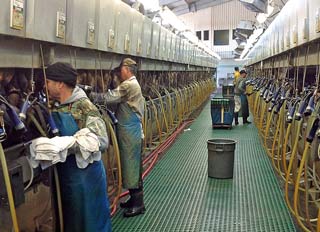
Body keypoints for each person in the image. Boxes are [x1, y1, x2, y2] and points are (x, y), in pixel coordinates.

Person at [44, 62, 112, 232]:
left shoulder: (84, 106)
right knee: (72, 222)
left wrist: (71, 144)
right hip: (67, 177)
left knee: (90, 224)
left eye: (48, 82)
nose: (45, 86)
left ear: (60, 84)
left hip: (86, 178)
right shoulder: (55, 106)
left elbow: (103, 140)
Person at [91, 58, 145, 217]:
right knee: (130, 166)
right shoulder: (131, 84)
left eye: (120, 69)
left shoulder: (129, 85)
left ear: (127, 69)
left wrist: (91, 95)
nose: (119, 72)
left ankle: (138, 204)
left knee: (132, 167)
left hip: (130, 132)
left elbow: (110, 98)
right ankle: (134, 199)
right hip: (128, 130)